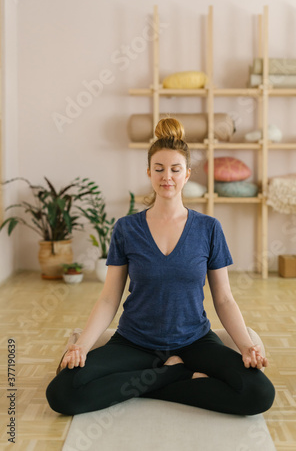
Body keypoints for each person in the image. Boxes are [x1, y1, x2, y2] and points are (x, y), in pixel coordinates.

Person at [46, 117, 275, 416]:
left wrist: (245, 346)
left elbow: (224, 298)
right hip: (134, 343)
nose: (167, 177)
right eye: (159, 169)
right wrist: (83, 347)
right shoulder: (127, 228)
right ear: (149, 172)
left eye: (175, 169)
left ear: (187, 174)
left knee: (259, 393)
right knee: (62, 392)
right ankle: (174, 375)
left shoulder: (208, 228)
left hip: (194, 342)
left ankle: (142, 386)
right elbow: (108, 298)